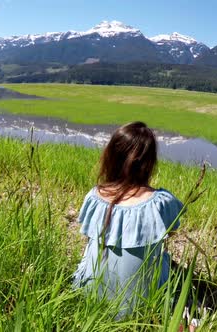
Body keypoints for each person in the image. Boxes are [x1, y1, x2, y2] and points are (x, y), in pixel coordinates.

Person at [72, 121, 185, 319]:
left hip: (90, 297)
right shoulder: (160, 203)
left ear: (111, 157)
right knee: (164, 261)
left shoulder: (94, 197)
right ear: (149, 163)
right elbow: (170, 233)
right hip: (140, 305)